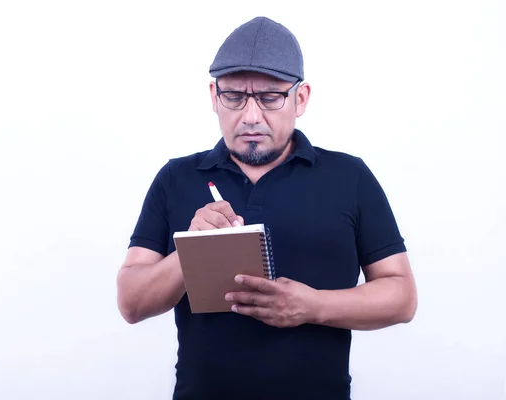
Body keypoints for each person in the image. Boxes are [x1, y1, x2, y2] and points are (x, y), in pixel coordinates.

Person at [116, 16, 417, 400]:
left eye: (271, 97)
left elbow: (402, 296)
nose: (251, 116)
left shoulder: (349, 176)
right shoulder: (177, 178)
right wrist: (190, 250)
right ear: (213, 96)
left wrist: (312, 306)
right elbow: (131, 302)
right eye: (234, 96)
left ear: (301, 98)